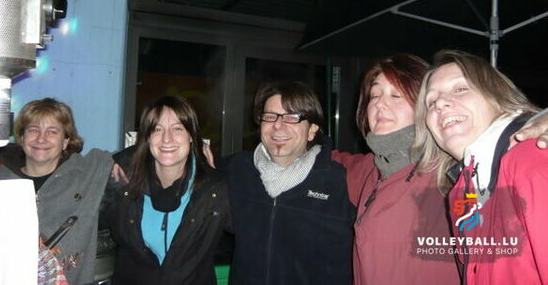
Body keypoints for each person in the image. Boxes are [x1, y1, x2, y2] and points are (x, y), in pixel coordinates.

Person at [413, 50, 548, 285]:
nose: (439, 104)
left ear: (497, 96)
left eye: (460, 89)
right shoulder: (463, 191)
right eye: (431, 102)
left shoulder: (532, 158)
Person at [333, 54, 460, 285]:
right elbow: (330, 159)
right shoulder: (371, 169)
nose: (379, 104)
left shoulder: (449, 173)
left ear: (426, 105)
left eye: (396, 95)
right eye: (374, 95)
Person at [226, 81, 355, 285]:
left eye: (292, 117)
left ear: (312, 130)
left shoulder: (340, 181)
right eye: (270, 116)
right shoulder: (237, 170)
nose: (278, 125)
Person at [108, 95, 229, 285]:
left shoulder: (216, 190)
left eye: (177, 128)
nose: (167, 138)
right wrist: (117, 160)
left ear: (191, 135)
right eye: (157, 129)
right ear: (148, 137)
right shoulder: (122, 183)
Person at [0, 98, 115, 285]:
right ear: (21, 137)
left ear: (66, 141)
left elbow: (139, 156)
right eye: (33, 129)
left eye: (52, 131)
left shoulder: (88, 173)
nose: (41, 139)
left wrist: (120, 163)